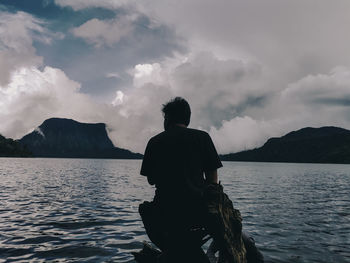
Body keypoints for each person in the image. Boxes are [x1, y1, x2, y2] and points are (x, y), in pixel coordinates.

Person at [140, 97, 223, 262]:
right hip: (197, 212)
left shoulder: (155, 141)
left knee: (145, 211)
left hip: (165, 211)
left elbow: (151, 180)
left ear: (167, 119)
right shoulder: (202, 137)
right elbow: (212, 178)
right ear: (188, 118)